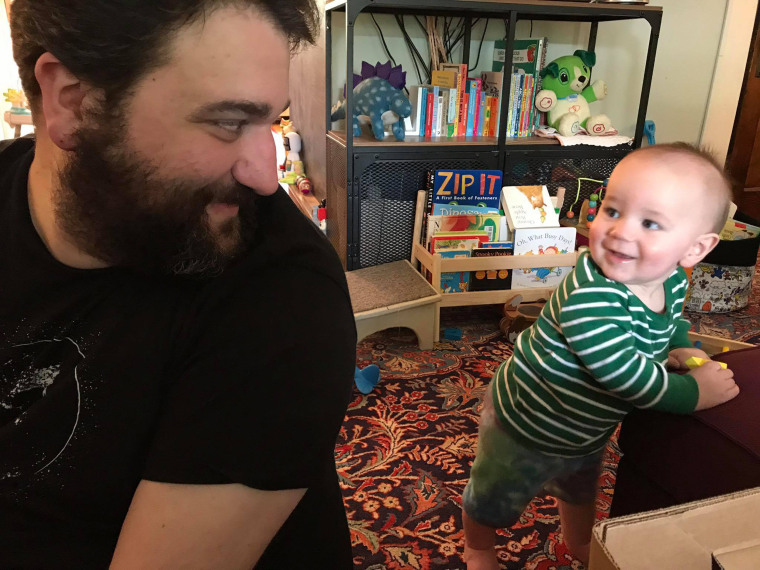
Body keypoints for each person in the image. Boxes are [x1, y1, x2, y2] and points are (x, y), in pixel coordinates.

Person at [0, 1, 357, 568]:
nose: (267, 176)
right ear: (73, 102)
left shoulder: (284, 298)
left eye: (273, 122)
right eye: (229, 122)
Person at [461, 143, 740, 570]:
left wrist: (680, 344)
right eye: (612, 210)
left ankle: (579, 540)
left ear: (695, 249)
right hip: (527, 423)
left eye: (650, 223)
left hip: (585, 429)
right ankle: (477, 547)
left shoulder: (671, 281)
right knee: (494, 496)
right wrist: (693, 393)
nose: (621, 231)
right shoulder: (590, 297)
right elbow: (625, 376)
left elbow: (672, 323)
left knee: (579, 486)